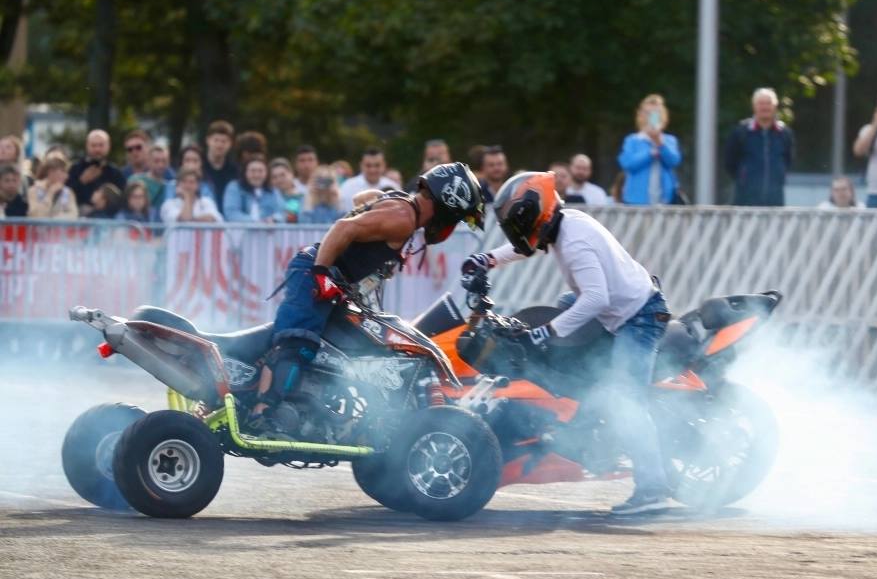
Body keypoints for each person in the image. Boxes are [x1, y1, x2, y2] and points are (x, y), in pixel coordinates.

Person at [462, 171, 672, 515]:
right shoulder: (565, 224)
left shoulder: (573, 240)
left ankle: (653, 490)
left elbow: (596, 300)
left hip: (639, 318)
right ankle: (582, 404)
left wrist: (546, 332)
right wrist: (488, 259)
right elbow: (524, 247)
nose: (517, 232)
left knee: (625, 401)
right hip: (618, 311)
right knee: (562, 305)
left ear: (535, 213)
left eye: (518, 223)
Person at [248, 162, 486, 431]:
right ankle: (262, 414)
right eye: (456, 217)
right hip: (315, 271)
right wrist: (321, 273)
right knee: (298, 344)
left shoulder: (401, 204)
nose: (452, 225)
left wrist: (380, 200)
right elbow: (343, 227)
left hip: (332, 277)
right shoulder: (403, 219)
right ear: (447, 205)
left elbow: (360, 199)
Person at [723, 88, 795, 207]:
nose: (765, 107)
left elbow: (788, 161)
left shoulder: (784, 134)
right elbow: (730, 161)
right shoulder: (741, 132)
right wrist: (744, 178)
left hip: (775, 198)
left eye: (768, 103)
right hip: (745, 198)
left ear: (775, 107)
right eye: (761, 103)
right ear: (754, 106)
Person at [618, 95, 683, 205]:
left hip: (665, 199)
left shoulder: (669, 140)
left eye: (656, 113)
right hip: (637, 200)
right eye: (649, 113)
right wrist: (649, 154)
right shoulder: (633, 140)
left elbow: (674, 161)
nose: (652, 117)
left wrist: (660, 143)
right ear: (642, 115)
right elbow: (627, 163)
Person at [67, 129, 126, 215]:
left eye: (101, 145)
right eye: (93, 145)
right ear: (87, 146)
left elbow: (121, 200)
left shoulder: (116, 173)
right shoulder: (75, 169)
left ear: (108, 146)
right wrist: (81, 181)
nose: (97, 149)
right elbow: (66, 195)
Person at [222, 154, 286, 223]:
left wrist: (274, 219)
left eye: (260, 171)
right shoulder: (234, 187)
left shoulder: (273, 192)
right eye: (252, 171)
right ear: (245, 172)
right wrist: (255, 223)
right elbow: (231, 213)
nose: (256, 175)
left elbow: (282, 213)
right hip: (241, 232)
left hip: (268, 233)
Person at [28, 154, 78, 219]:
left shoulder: (68, 192)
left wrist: (54, 220)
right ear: (51, 172)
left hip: (60, 229)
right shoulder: (34, 191)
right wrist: (50, 194)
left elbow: (73, 215)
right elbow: (35, 215)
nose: (67, 176)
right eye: (63, 172)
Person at [202, 121, 239, 206]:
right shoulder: (198, 165)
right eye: (216, 140)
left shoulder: (235, 170)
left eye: (224, 141)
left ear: (230, 144)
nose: (219, 145)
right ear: (208, 140)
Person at [133, 144, 173, 209]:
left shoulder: (170, 187)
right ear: (149, 161)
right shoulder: (135, 180)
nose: (160, 165)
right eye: (156, 161)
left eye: (164, 161)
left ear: (168, 162)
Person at [270, 158, 303, 223]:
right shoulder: (269, 199)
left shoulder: (304, 197)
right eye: (274, 177)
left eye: (282, 175)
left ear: (291, 174)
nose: (279, 180)